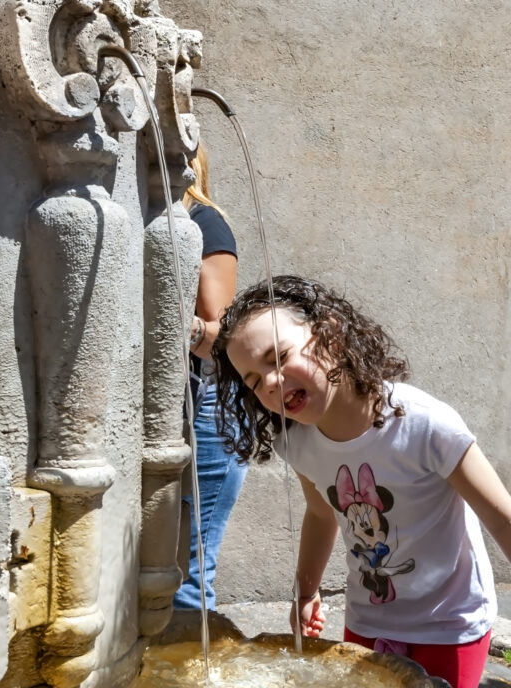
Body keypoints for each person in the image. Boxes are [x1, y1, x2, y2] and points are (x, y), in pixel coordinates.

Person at [210, 275, 511, 688]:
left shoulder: (425, 425)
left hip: (450, 624)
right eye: (255, 382)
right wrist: (305, 591)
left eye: (278, 357)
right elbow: (320, 513)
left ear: (331, 333)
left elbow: (501, 519)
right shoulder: (296, 441)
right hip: (370, 620)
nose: (272, 382)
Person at [172, 143, 248, 610]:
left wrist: (176, 325)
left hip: (207, 415)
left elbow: (226, 336)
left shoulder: (204, 222)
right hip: (175, 407)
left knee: (188, 571)